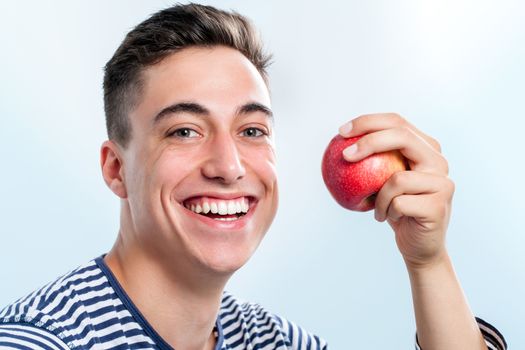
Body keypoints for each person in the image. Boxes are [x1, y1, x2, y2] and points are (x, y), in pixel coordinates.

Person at [0, 3, 507, 350]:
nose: (229, 166)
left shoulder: (267, 339)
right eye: (184, 131)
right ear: (116, 169)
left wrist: (429, 262)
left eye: (251, 129)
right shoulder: (38, 340)